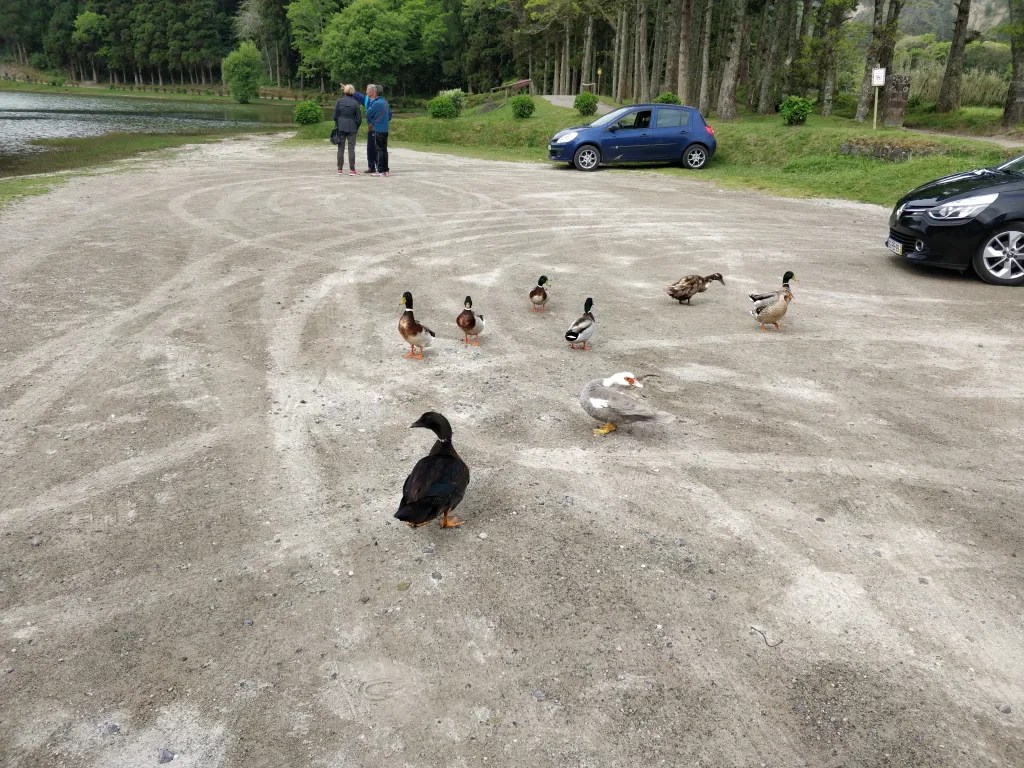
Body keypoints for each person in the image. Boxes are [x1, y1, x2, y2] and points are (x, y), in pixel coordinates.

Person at [332, 84, 362, 175]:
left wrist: (338, 124)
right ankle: (352, 170)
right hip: (352, 127)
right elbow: (359, 119)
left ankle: (340, 169)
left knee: (340, 148)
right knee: (351, 149)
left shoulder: (339, 101)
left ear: (344, 91)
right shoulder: (356, 103)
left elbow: (335, 116)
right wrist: (356, 127)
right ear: (352, 92)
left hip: (341, 126)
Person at [366, 84, 391, 177]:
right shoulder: (385, 102)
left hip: (378, 128)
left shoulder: (376, 103)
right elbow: (389, 115)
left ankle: (380, 170)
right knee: (384, 150)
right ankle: (386, 170)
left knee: (379, 150)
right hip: (385, 129)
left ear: (375, 92)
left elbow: (368, 113)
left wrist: (372, 122)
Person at [364, 83, 379, 173]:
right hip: (370, 128)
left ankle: (379, 166)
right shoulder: (368, 101)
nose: (366, 91)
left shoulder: (379, 102)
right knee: (370, 148)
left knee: (377, 148)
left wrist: (374, 123)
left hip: (377, 128)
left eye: (367, 90)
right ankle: (371, 167)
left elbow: (387, 115)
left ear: (372, 92)